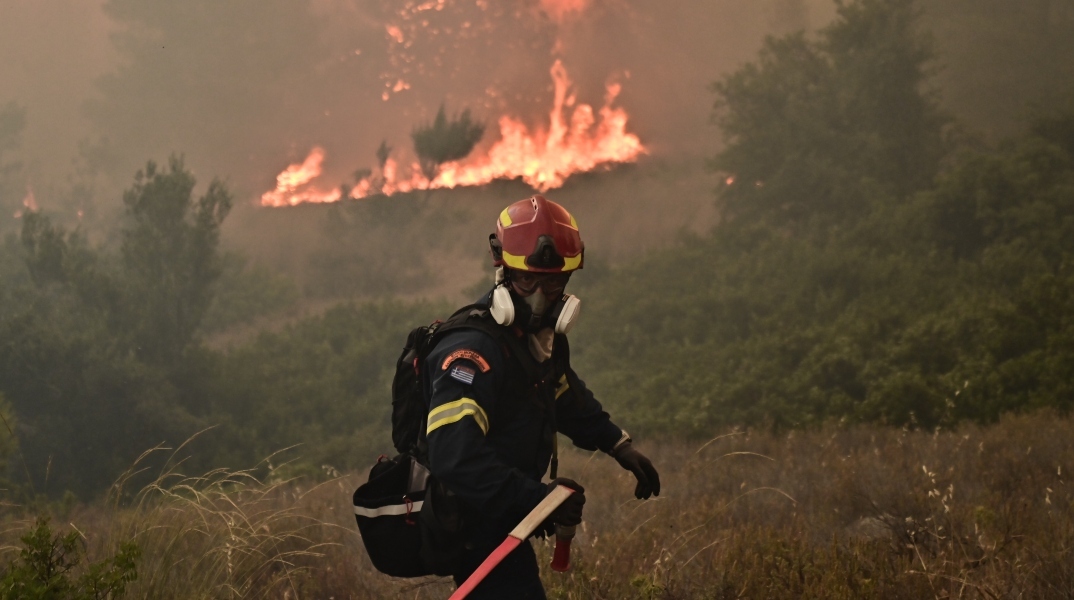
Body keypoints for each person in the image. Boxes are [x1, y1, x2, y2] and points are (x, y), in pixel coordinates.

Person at [423, 195, 661, 598]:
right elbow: (454, 457)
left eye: (553, 283)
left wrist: (616, 443)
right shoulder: (472, 352)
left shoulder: (535, 339)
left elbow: (560, 390)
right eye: (527, 280)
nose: (540, 296)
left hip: (503, 517)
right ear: (502, 269)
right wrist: (539, 499)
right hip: (474, 523)